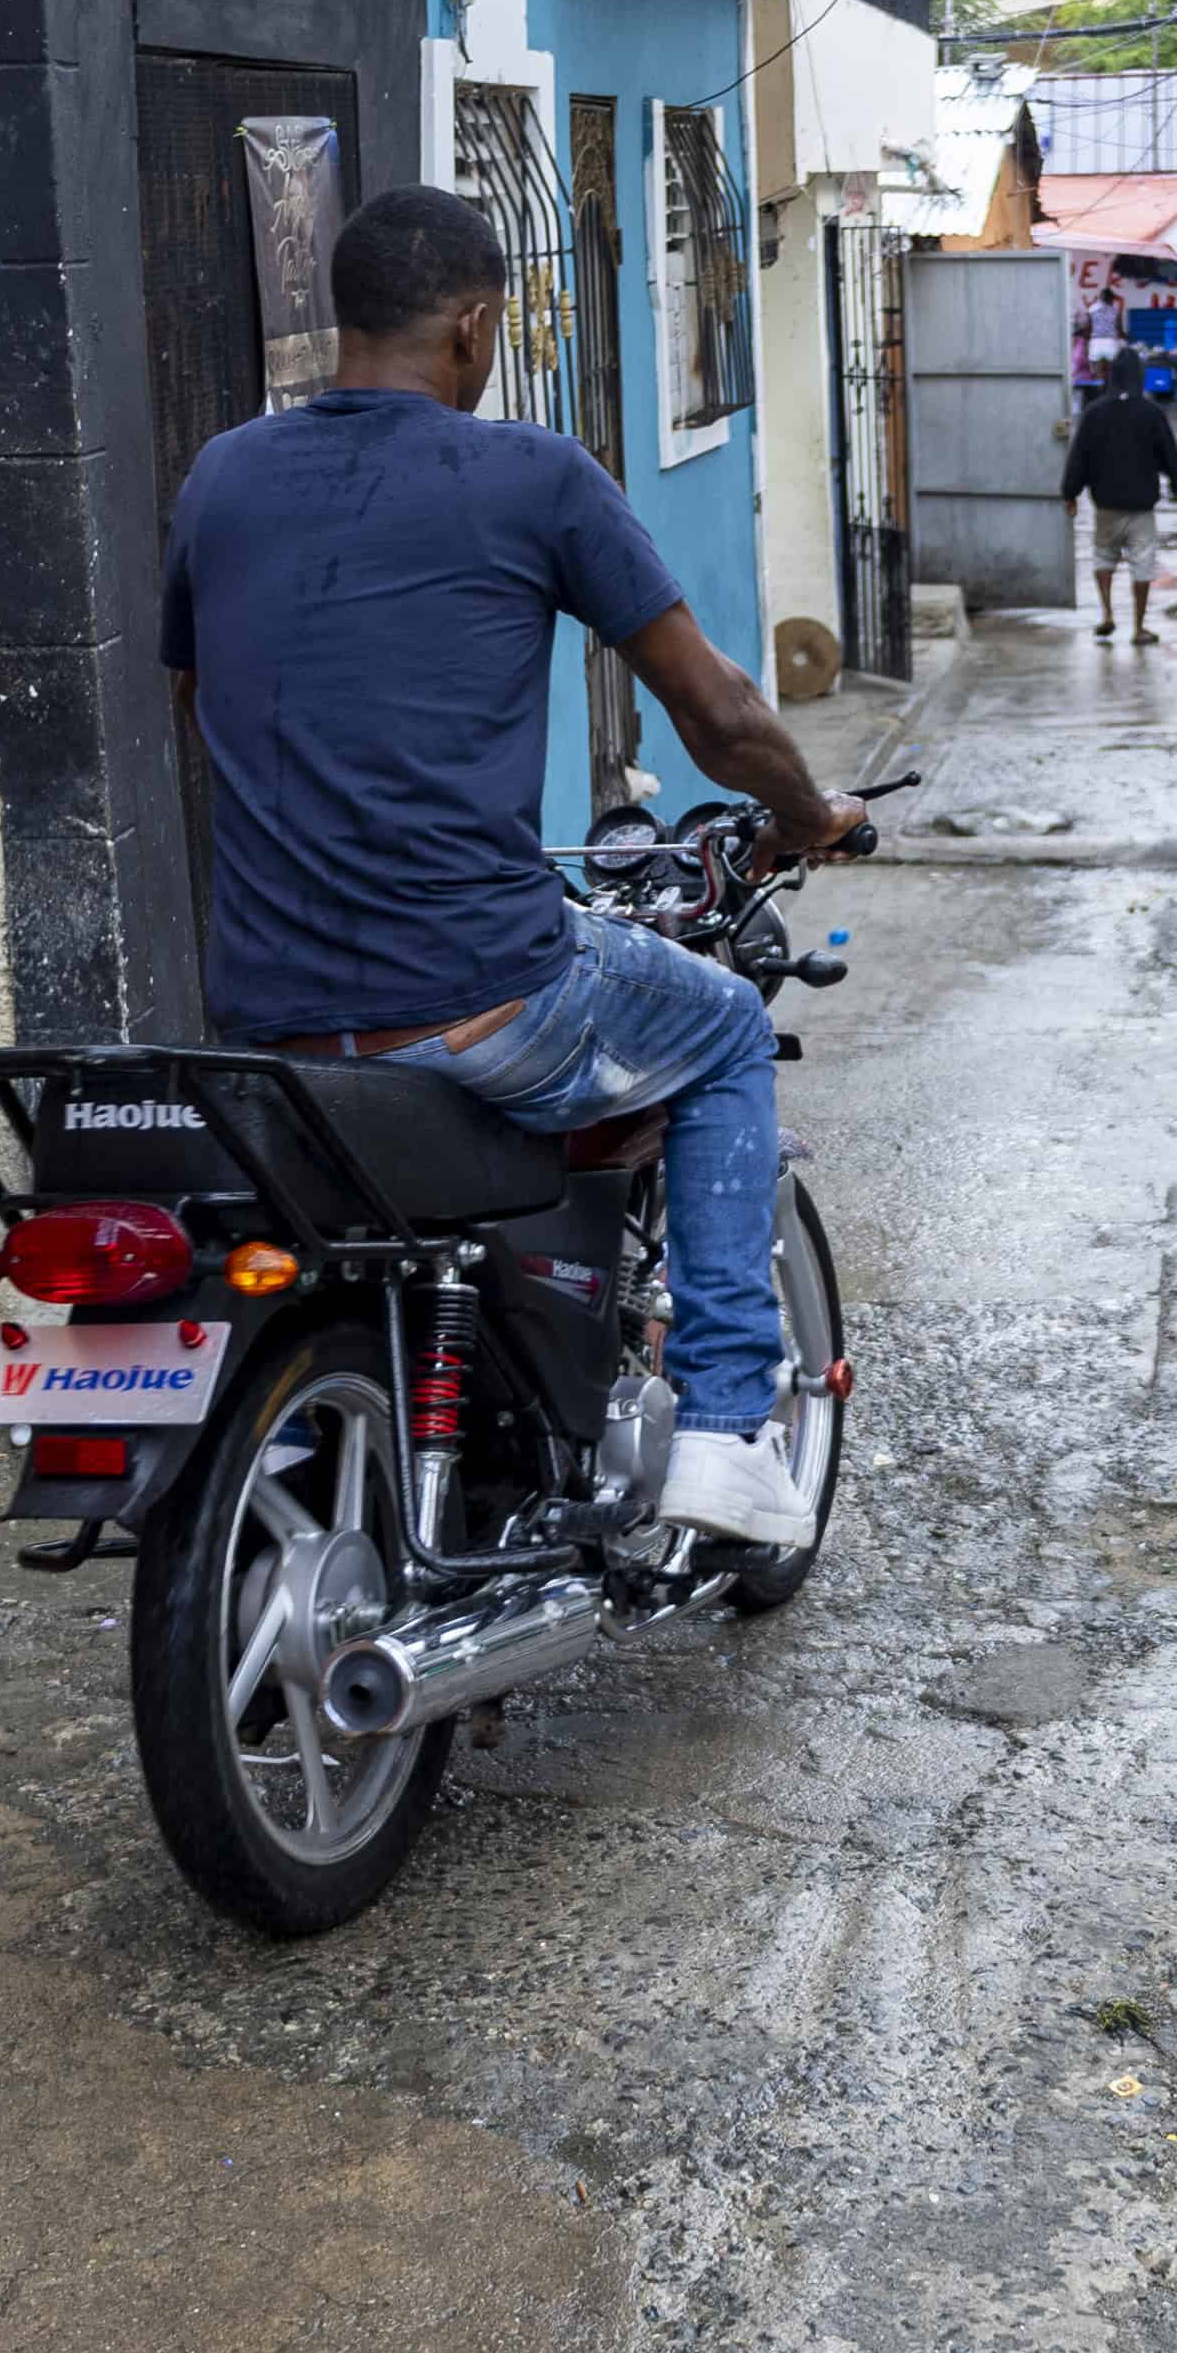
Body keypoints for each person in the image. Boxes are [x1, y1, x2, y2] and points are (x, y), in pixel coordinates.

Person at [163, 187, 863, 1550]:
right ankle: (722, 1428)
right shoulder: (533, 474)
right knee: (722, 1026)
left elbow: (196, 695)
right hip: (478, 989)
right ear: (474, 329)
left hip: (268, 1012)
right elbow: (717, 715)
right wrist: (809, 812)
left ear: (340, 318)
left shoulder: (221, 474)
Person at [1063, 353, 1177, 642]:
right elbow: (1170, 454)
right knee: (1142, 562)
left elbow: (1078, 458)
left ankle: (1107, 613)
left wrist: (1070, 493)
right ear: (1138, 376)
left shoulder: (1094, 414)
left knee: (1103, 556)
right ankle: (1139, 627)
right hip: (1141, 505)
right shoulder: (1151, 413)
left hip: (1105, 503)